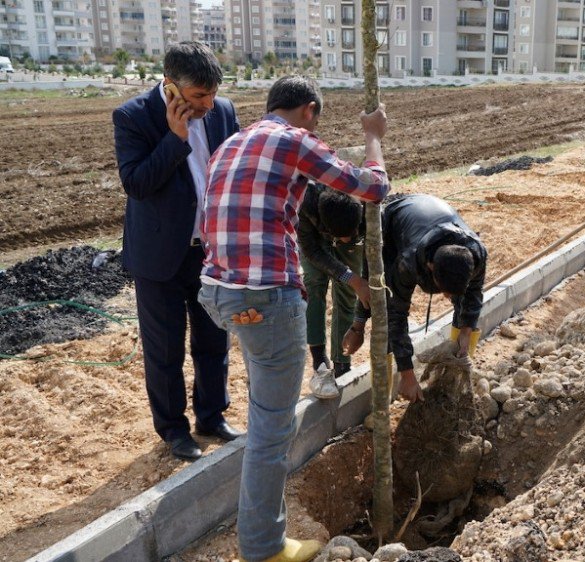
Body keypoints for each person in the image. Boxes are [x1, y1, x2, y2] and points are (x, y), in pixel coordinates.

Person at [197, 75, 389, 562]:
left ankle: (260, 531)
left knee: (264, 407)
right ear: (308, 110)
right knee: (270, 430)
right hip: (266, 296)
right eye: (316, 119)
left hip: (220, 293)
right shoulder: (293, 139)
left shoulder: (230, 144)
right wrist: (373, 136)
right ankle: (263, 547)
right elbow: (372, 188)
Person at [112, 41, 242, 462]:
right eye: (198, 96)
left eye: (212, 93)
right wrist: (175, 138)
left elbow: (232, 170)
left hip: (210, 253)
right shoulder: (133, 116)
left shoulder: (222, 111)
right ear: (170, 87)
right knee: (165, 349)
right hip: (160, 257)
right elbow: (136, 184)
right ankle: (173, 429)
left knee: (213, 340)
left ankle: (211, 416)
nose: (208, 103)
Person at [342, 194, 487, 402]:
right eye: (443, 290)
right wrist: (407, 374)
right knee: (383, 308)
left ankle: (454, 384)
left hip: (435, 221)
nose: (445, 297)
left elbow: (473, 295)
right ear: (430, 268)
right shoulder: (408, 263)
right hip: (394, 228)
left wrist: (466, 330)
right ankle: (381, 404)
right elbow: (396, 315)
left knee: (465, 310)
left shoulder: (476, 254)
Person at [297, 183, 369, 397]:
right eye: (340, 235)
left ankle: (342, 363)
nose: (344, 239)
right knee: (314, 287)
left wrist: (358, 280)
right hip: (315, 243)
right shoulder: (306, 203)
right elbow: (311, 250)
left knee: (347, 296)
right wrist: (350, 277)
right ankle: (319, 361)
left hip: (350, 231)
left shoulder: (366, 201)